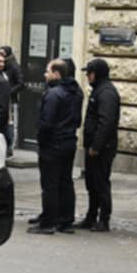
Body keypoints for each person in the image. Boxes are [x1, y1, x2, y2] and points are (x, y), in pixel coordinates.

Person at [29, 58, 82, 235]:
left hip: (53, 143)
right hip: (69, 141)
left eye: (48, 71)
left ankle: (48, 222)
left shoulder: (53, 94)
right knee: (65, 181)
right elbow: (77, 120)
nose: (45, 74)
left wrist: (42, 140)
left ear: (56, 74)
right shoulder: (76, 92)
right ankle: (65, 220)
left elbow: (46, 122)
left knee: (50, 184)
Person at [77, 58, 121, 232]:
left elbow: (106, 122)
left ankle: (103, 219)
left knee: (100, 183)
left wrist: (96, 146)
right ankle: (91, 216)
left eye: (89, 73)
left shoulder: (106, 93)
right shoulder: (99, 90)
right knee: (92, 183)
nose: (87, 76)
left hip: (102, 148)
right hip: (95, 145)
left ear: (96, 74)